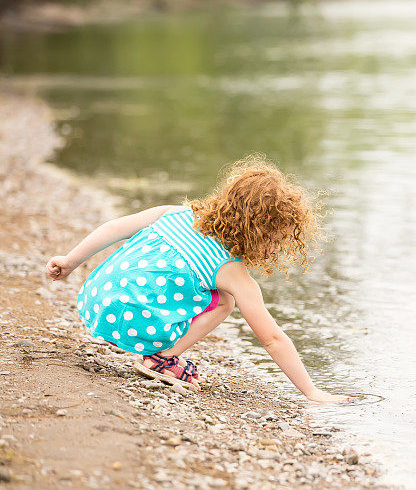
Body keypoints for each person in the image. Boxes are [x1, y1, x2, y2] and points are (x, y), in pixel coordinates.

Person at [45, 154, 350, 404]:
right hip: (133, 323)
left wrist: (70, 261)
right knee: (225, 302)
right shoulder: (232, 272)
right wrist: (312, 392)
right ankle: (161, 358)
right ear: (258, 232)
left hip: (96, 301)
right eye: (276, 239)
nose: (277, 248)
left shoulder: (174, 213)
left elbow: (114, 228)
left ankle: (159, 352)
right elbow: (272, 338)